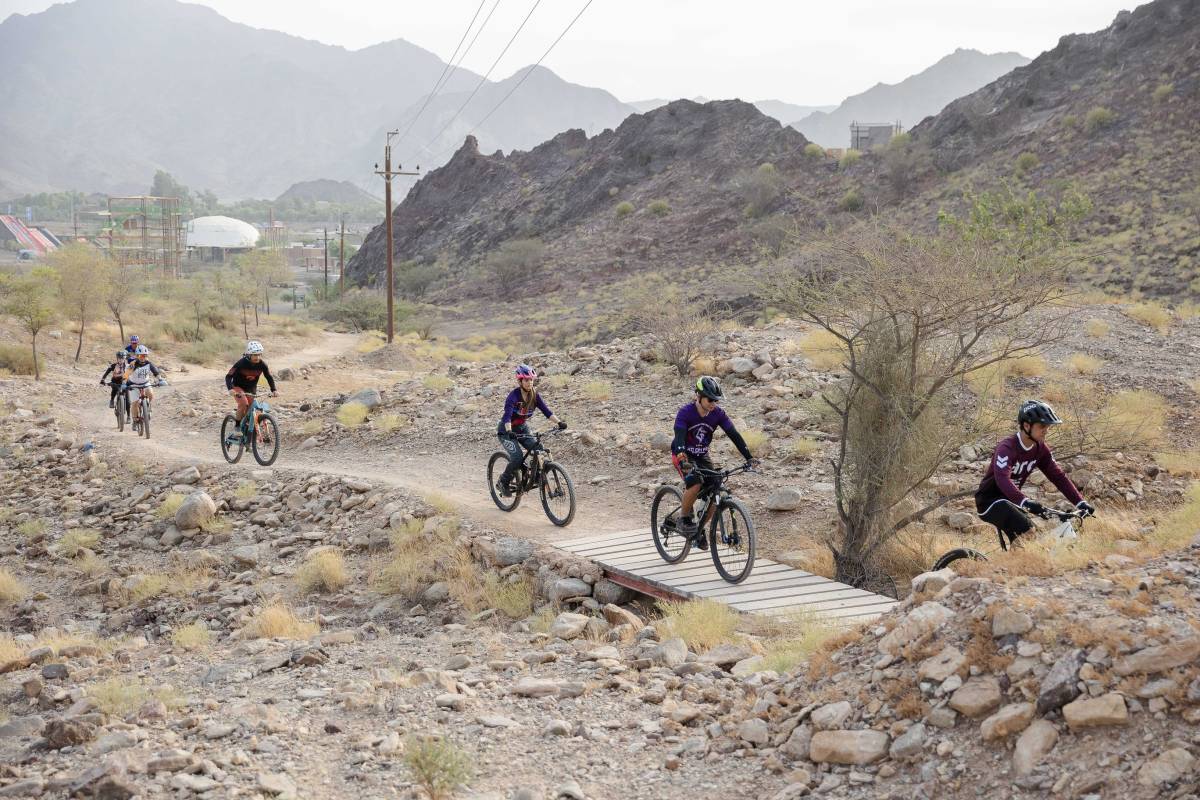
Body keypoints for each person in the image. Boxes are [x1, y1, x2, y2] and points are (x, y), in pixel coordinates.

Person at [975, 399, 1096, 549]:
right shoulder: (1007, 447)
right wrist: (1025, 501)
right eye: (1042, 426)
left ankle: (1010, 570)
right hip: (989, 502)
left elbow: (1057, 476)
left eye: (1048, 426)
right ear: (1026, 425)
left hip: (1012, 502)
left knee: (1025, 543)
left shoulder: (1040, 449)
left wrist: (1080, 502)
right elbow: (1002, 479)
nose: (1046, 430)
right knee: (1028, 531)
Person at [671, 376, 756, 548]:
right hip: (683, 455)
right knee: (694, 484)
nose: (713, 404)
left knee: (716, 490)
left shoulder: (717, 414)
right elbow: (679, 435)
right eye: (710, 399)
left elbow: (734, 435)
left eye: (716, 400)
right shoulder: (685, 412)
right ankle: (684, 518)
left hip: (702, 455)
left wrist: (749, 457)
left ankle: (698, 530)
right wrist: (681, 455)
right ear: (699, 396)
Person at [495, 364, 566, 496]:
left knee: (538, 448)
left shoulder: (535, 395)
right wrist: (510, 431)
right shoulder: (513, 396)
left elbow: (547, 411)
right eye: (526, 380)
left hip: (522, 428)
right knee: (517, 457)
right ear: (520, 381)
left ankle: (537, 476)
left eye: (531, 380)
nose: (529, 383)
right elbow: (507, 417)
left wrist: (560, 422)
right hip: (506, 431)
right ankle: (503, 482)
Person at [225, 340, 277, 441]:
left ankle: (247, 430)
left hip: (251, 389)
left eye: (259, 354)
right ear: (249, 354)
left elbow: (269, 377)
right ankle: (237, 427)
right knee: (243, 403)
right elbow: (228, 376)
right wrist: (230, 389)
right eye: (254, 355)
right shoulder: (241, 363)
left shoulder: (262, 365)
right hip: (238, 387)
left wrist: (274, 389)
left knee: (254, 409)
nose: (257, 357)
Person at [123, 345, 163, 430]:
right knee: (135, 403)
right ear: (137, 356)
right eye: (141, 355)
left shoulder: (148, 363)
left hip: (145, 383)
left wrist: (160, 379)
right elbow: (126, 375)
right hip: (134, 385)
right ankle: (135, 421)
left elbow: (156, 372)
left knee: (151, 394)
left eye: (145, 355)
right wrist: (124, 383)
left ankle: (148, 408)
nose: (143, 357)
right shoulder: (133, 364)